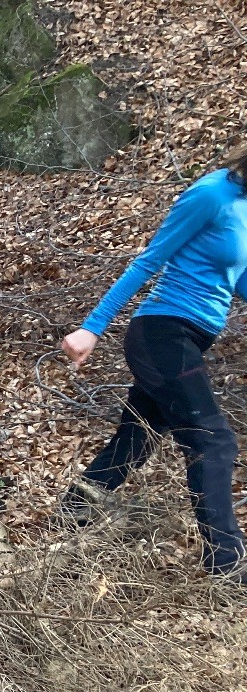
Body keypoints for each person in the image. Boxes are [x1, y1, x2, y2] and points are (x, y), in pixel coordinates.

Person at [60, 148, 247, 581]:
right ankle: (227, 562)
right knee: (214, 441)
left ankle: (73, 511)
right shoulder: (211, 194)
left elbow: (235, 276)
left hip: (189, 338)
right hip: (162, 334)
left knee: (137, 438)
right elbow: (149, 260)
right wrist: (92, 327)